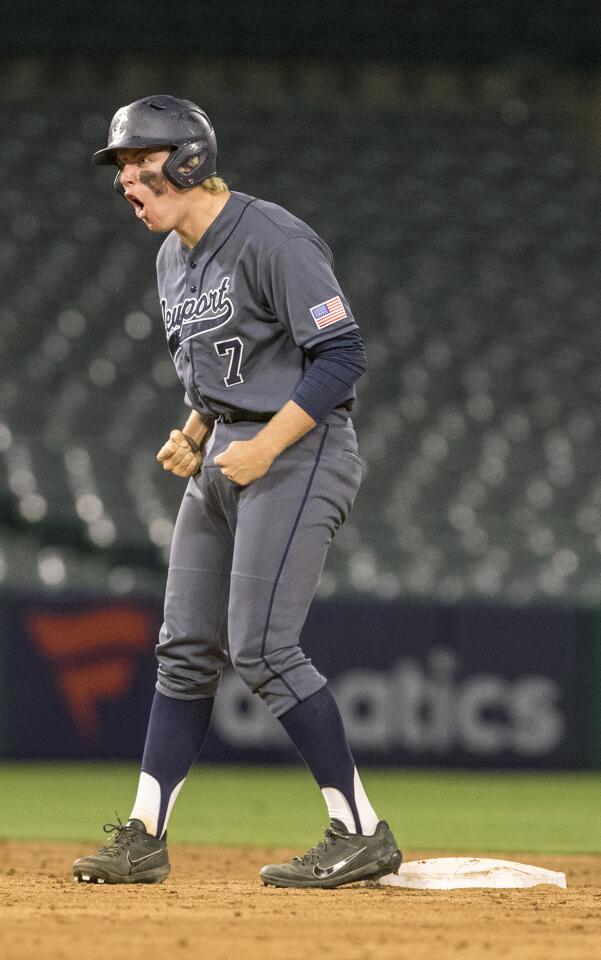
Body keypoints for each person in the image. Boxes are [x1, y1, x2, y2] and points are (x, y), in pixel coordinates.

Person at [73, 95, 401, 888]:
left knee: (260, 648)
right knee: (183, 649)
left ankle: (360, 831)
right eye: (119, 167)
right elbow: (224, 367)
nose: (126, 181)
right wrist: (195, 429)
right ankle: (144, 835)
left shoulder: (272, 236)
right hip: (228, 449)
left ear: (187, 160)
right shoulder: (169, 257)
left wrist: (261, 447)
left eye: (138, 163)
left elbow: (340, 357)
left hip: (299, 449)